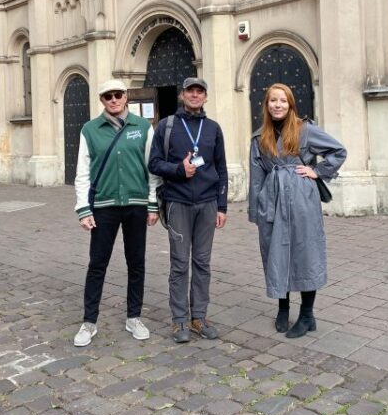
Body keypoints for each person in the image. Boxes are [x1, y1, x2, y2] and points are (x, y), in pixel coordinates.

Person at [248, 83, 347, 338]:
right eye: (273, 100)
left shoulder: (305, 130)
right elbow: (256, 177)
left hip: (302, 197)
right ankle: (283, 308)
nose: (277, 105)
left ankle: (307, 314)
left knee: (305, 251)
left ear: (290, 104)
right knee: (276, 252)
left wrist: (317, 171)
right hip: (272, 198)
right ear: (266, 104)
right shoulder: (259, 137)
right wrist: (256, 210)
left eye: (283, 100)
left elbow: (338, 151)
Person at [73, 79, 161, 347]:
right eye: (108, 96)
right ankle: (89, 322)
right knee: (97, 264)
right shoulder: (90, 130)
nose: (113, 100)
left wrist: (152, 203)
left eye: (118, 94)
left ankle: (134, 317)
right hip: (104, 206)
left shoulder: (143, 127)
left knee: (136, 263)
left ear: (126, 97)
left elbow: (152, 168)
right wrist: (83, 209)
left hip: (136, 205)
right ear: (102, 99)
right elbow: (83, 172)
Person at [148, 77, 228, 343]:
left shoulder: (213, 128)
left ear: (205, 97)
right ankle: (180, 320)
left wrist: (222, 206)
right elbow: (154, 163)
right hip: (178, 203)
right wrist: (178, 170)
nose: (195, 95)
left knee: (202, 263)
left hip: (207, 204)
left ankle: (199, 318)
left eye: (199, 91)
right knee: (180, 263)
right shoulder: (167, 126)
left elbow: (221, 168)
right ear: (182, 95)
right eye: (190, 91)